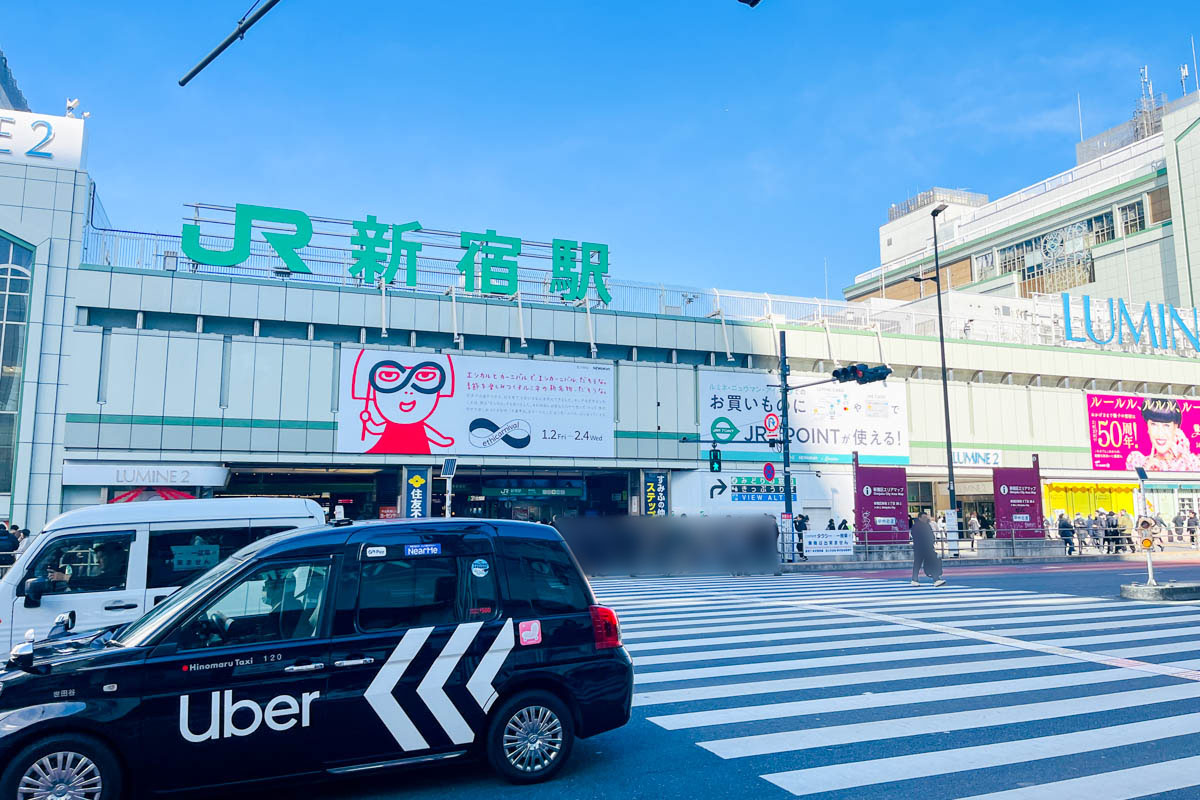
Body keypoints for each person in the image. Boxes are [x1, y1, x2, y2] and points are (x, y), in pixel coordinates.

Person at [47, 541, 128, 593]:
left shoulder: (119, 575)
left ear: (114, 557)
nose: (97, 561)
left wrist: (66, 578)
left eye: (102, 557)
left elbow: (96, 583)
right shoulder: (118, 573)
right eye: (97, 558)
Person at [910, 511, 946, 587]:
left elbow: (930, 535)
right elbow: (918, 537)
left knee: (931, 562)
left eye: (926, 517)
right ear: (919, 518)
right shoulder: (916, 526)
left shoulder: (927, 525)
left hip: (927, 548)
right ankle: (915, 579)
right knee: (918, 563)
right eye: (924, 517)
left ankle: (936, 579)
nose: (925, 519)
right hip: (920, 548)